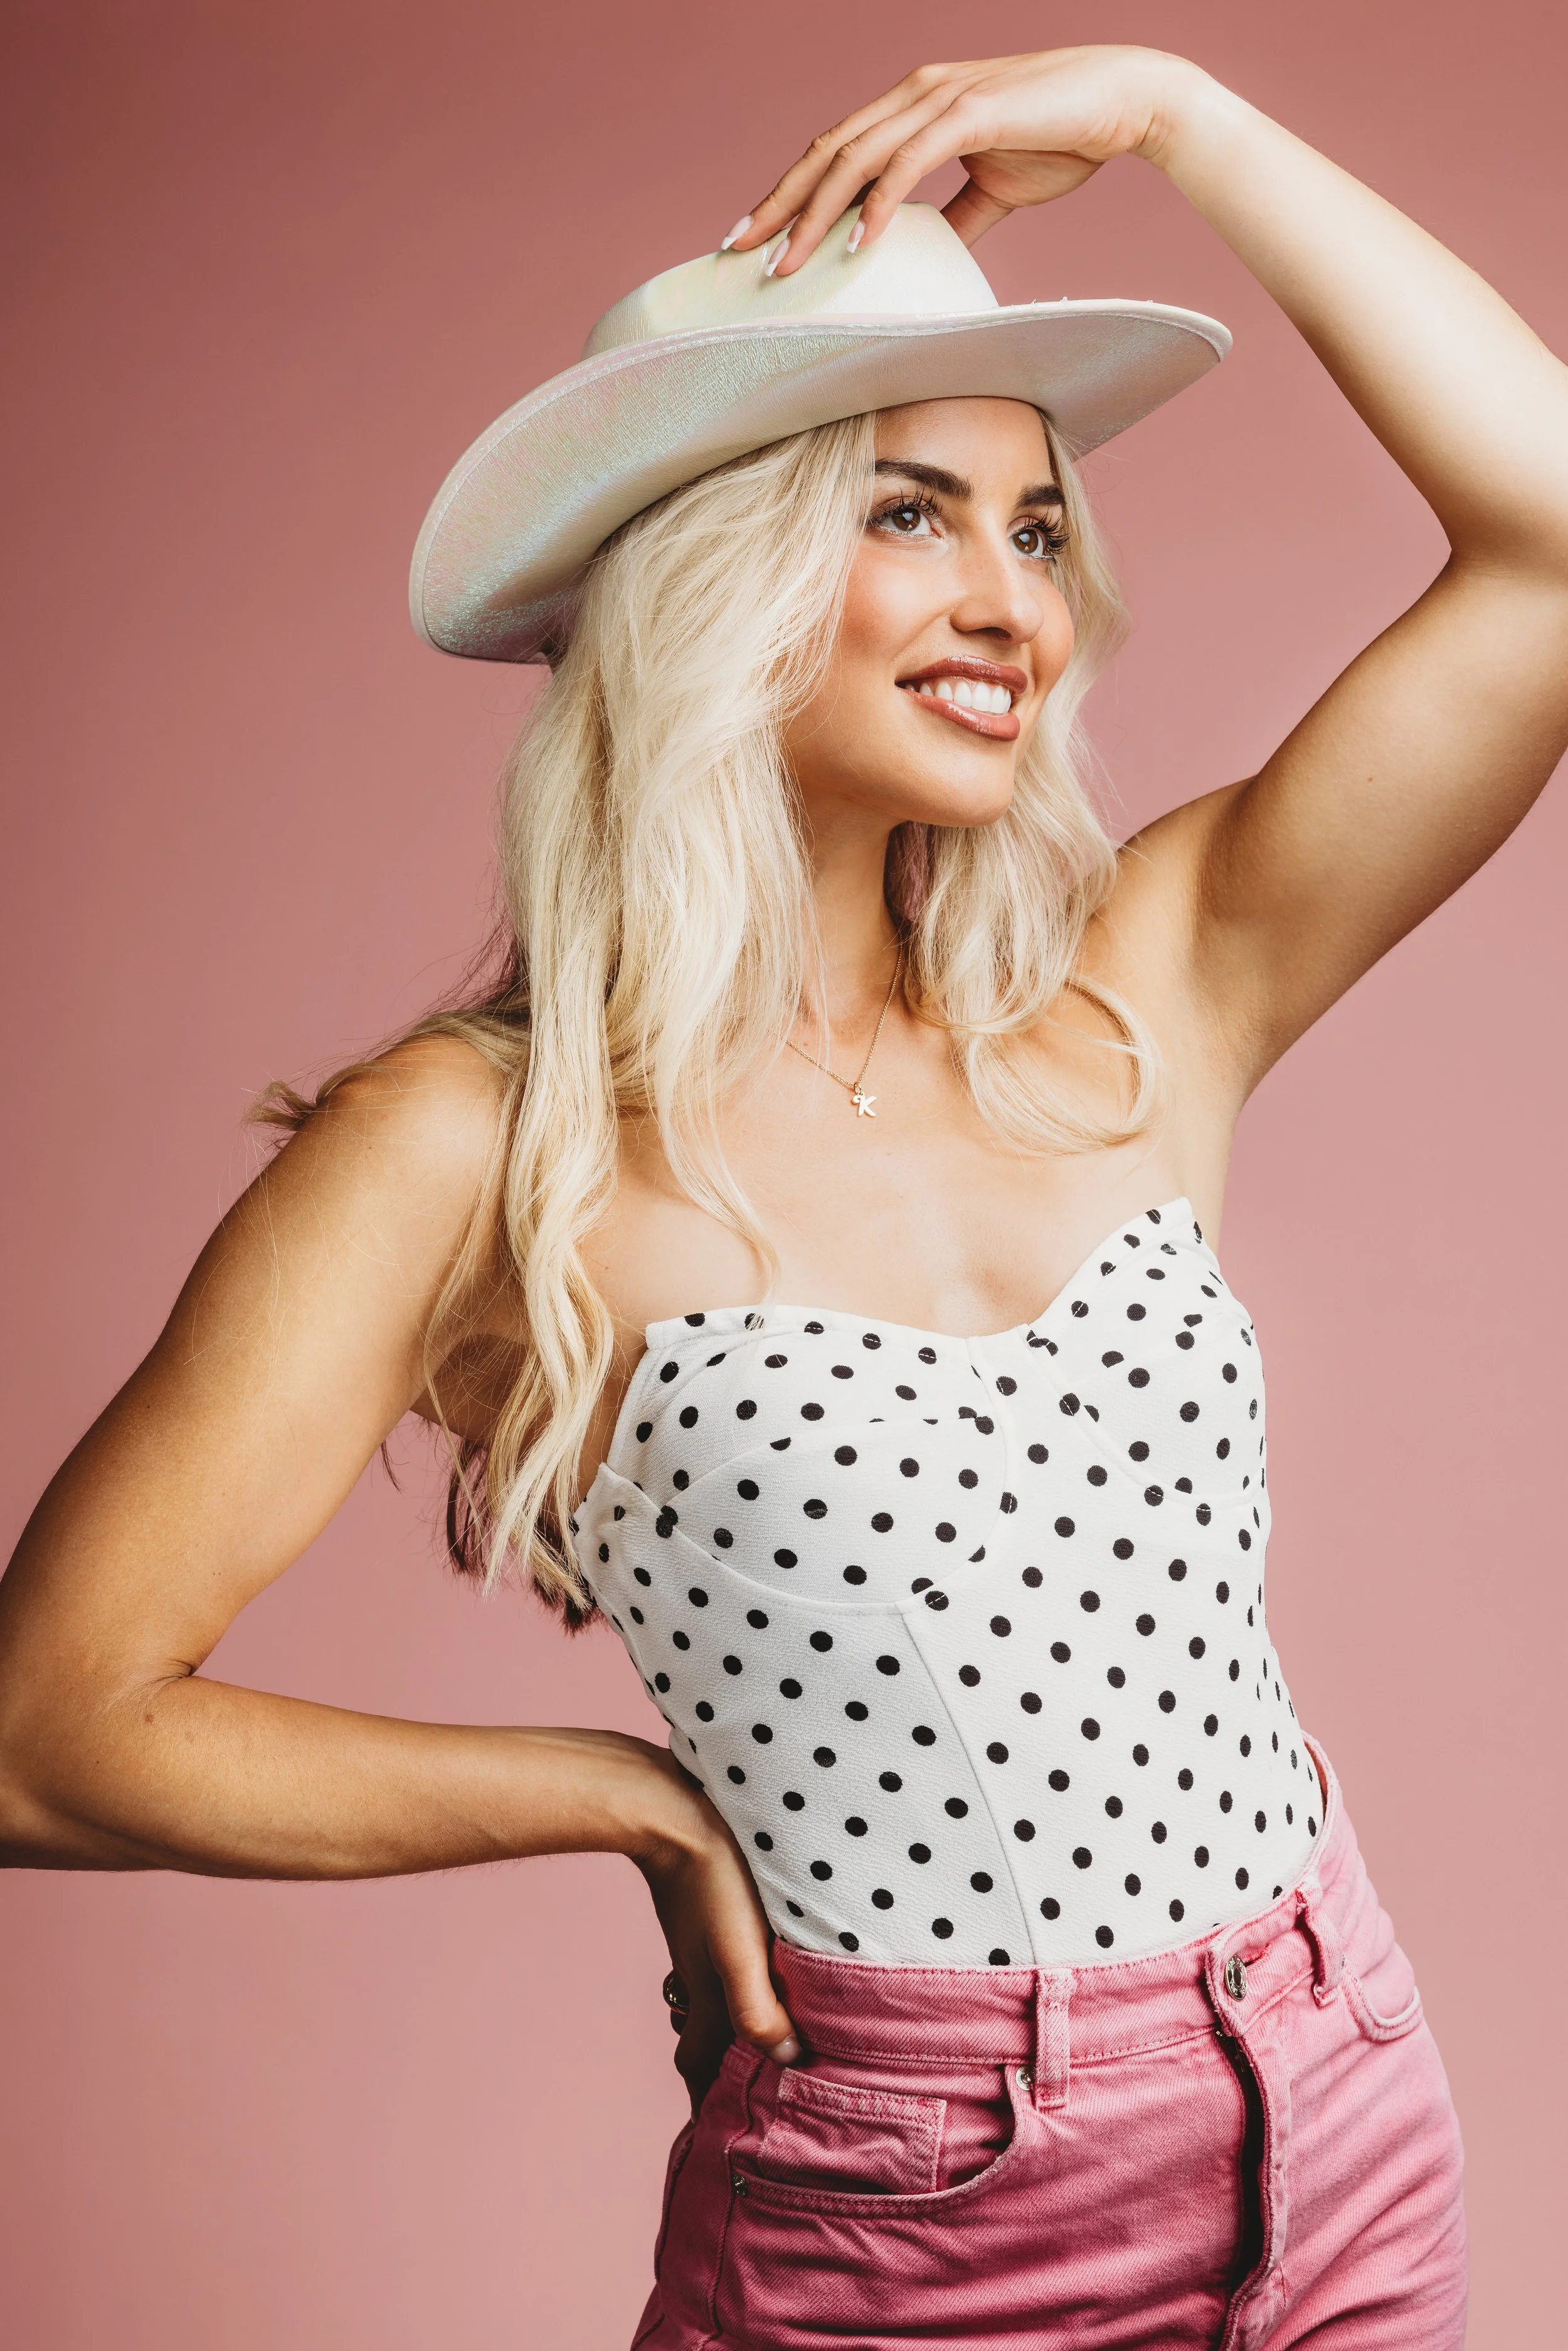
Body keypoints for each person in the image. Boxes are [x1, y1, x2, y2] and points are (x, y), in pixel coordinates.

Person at [3, 39, 1564, 2348]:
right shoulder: (471, 1148)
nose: (1011, 599)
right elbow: (51, 1724)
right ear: (714, 569)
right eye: (908, 510)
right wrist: (616, 1795)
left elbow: (1548, 539)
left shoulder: (1139, 996)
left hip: (1329, 2098)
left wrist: (1174, 114)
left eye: (1038, 527)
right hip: (914, 2213)